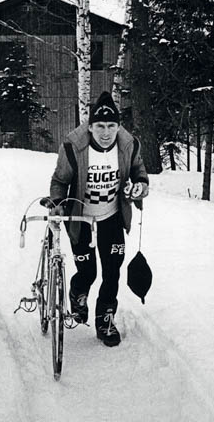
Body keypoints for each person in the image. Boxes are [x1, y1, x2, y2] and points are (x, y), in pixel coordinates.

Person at [48, 91, 149, 347]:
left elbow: (139, 173)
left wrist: (139, 186)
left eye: (112, 126)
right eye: (100, 126)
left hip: (112, 215)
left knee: (112, 271)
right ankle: (77, 293)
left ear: (118, 126)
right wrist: (58, 205)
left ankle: (105, 320)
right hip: (80, 216)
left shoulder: (128, 145)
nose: (106, 133)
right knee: (88, 271)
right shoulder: (74, 146)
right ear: (90, 126)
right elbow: (60, 180)